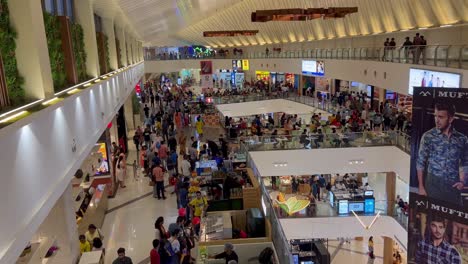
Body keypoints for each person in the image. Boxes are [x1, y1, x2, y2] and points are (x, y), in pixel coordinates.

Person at [416, 103, 467, 206]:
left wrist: (462, 182)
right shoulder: (428, 136)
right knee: (433, 215)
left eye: (441, 117)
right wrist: (421, 187)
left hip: (453, 186)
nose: (437, 120)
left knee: (455, 217)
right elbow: (420, 162)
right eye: (435, 116)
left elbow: (464, 162)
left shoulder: (462, 139)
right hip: (433, 184)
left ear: (451, 119)